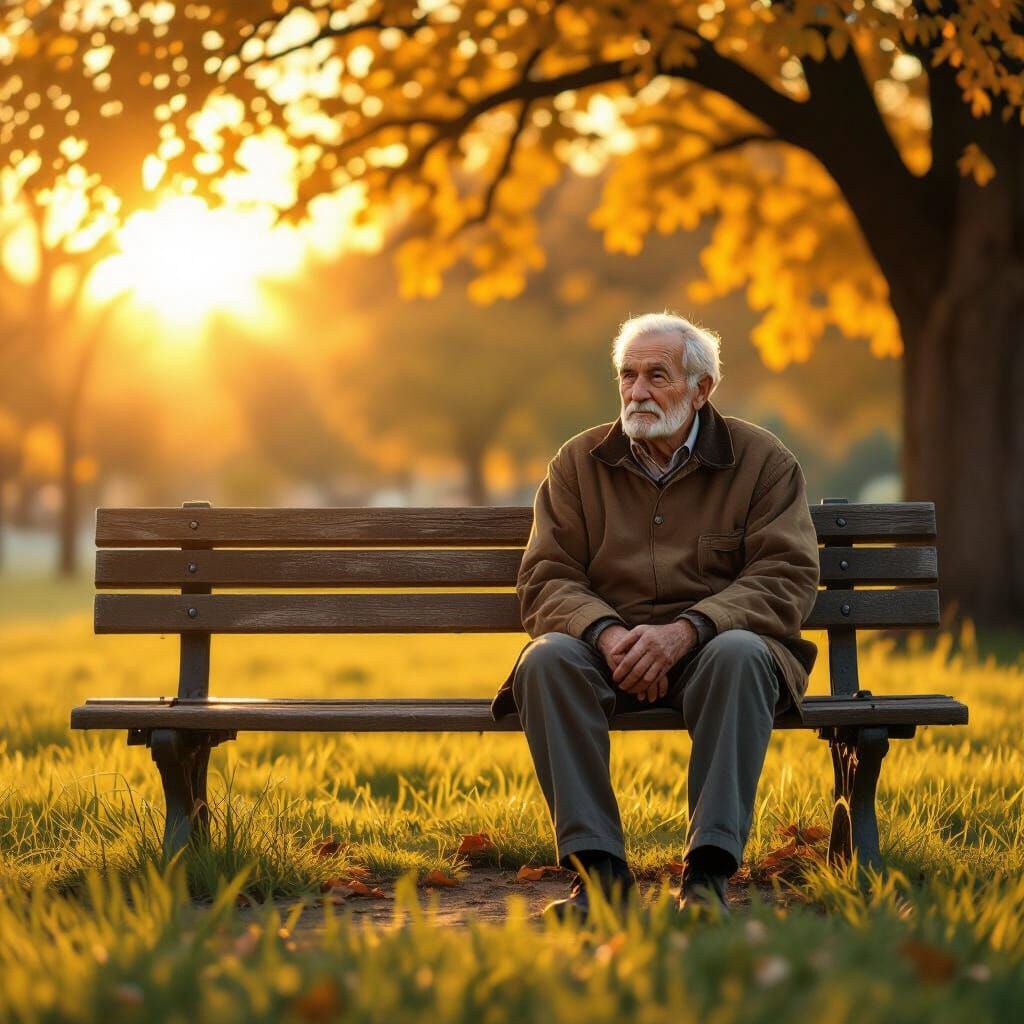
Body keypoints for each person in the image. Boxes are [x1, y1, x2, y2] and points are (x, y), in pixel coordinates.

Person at [490, 312, 820, 921]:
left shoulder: (763, 461)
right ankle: (600, 877)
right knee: (546, 661)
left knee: (742, 654)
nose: (638, 392)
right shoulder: (578, 462)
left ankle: (707, 878)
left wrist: (689, 630)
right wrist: (605, 632)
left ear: (701, 389)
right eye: (628, 375)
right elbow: (545, 575)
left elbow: (785, 577)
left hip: (717, 651)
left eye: (657, 376)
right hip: (604, 651)